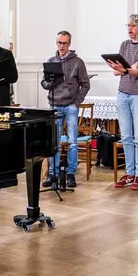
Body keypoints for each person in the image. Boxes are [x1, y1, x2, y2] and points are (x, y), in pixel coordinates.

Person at [107, 14, 138, 191]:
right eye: (128, 25)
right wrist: (126, 69)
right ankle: (129, 173)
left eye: (133, 25)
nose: (129, 28)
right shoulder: (124, 45)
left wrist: (124, 69)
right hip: (123, 94)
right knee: (126, 136)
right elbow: (118, 72)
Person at [41, 30, 91, 188]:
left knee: (72, 142)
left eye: (64, 43)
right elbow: (44, 84)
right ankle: (53, 174)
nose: (61, 46)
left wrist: (76, 102)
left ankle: (70, 174)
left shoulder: (77, 62)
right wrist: (51, 82)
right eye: (59, 43)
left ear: (69, 44)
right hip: (54, 106)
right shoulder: (51, 61)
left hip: (70, 106)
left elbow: (86, 84)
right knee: (53, 142)